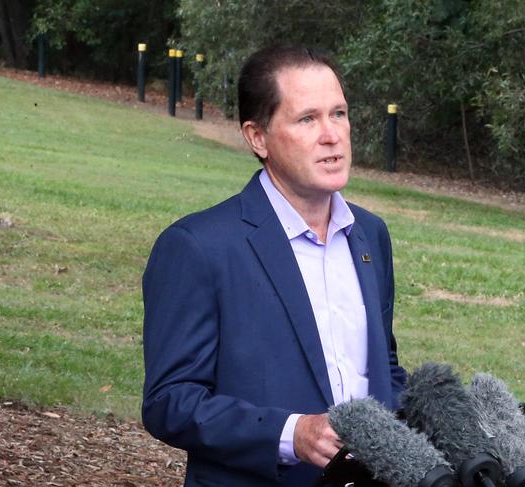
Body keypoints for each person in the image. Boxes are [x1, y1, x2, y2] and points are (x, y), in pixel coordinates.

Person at [142, 45, 407, 486]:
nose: (331, 135)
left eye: (338, 114)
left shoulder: (371, 235)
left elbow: (383, 368)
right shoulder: (197, 247)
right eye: (308, 119)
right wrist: (291, 434)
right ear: (257, 137)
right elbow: (170, 401)